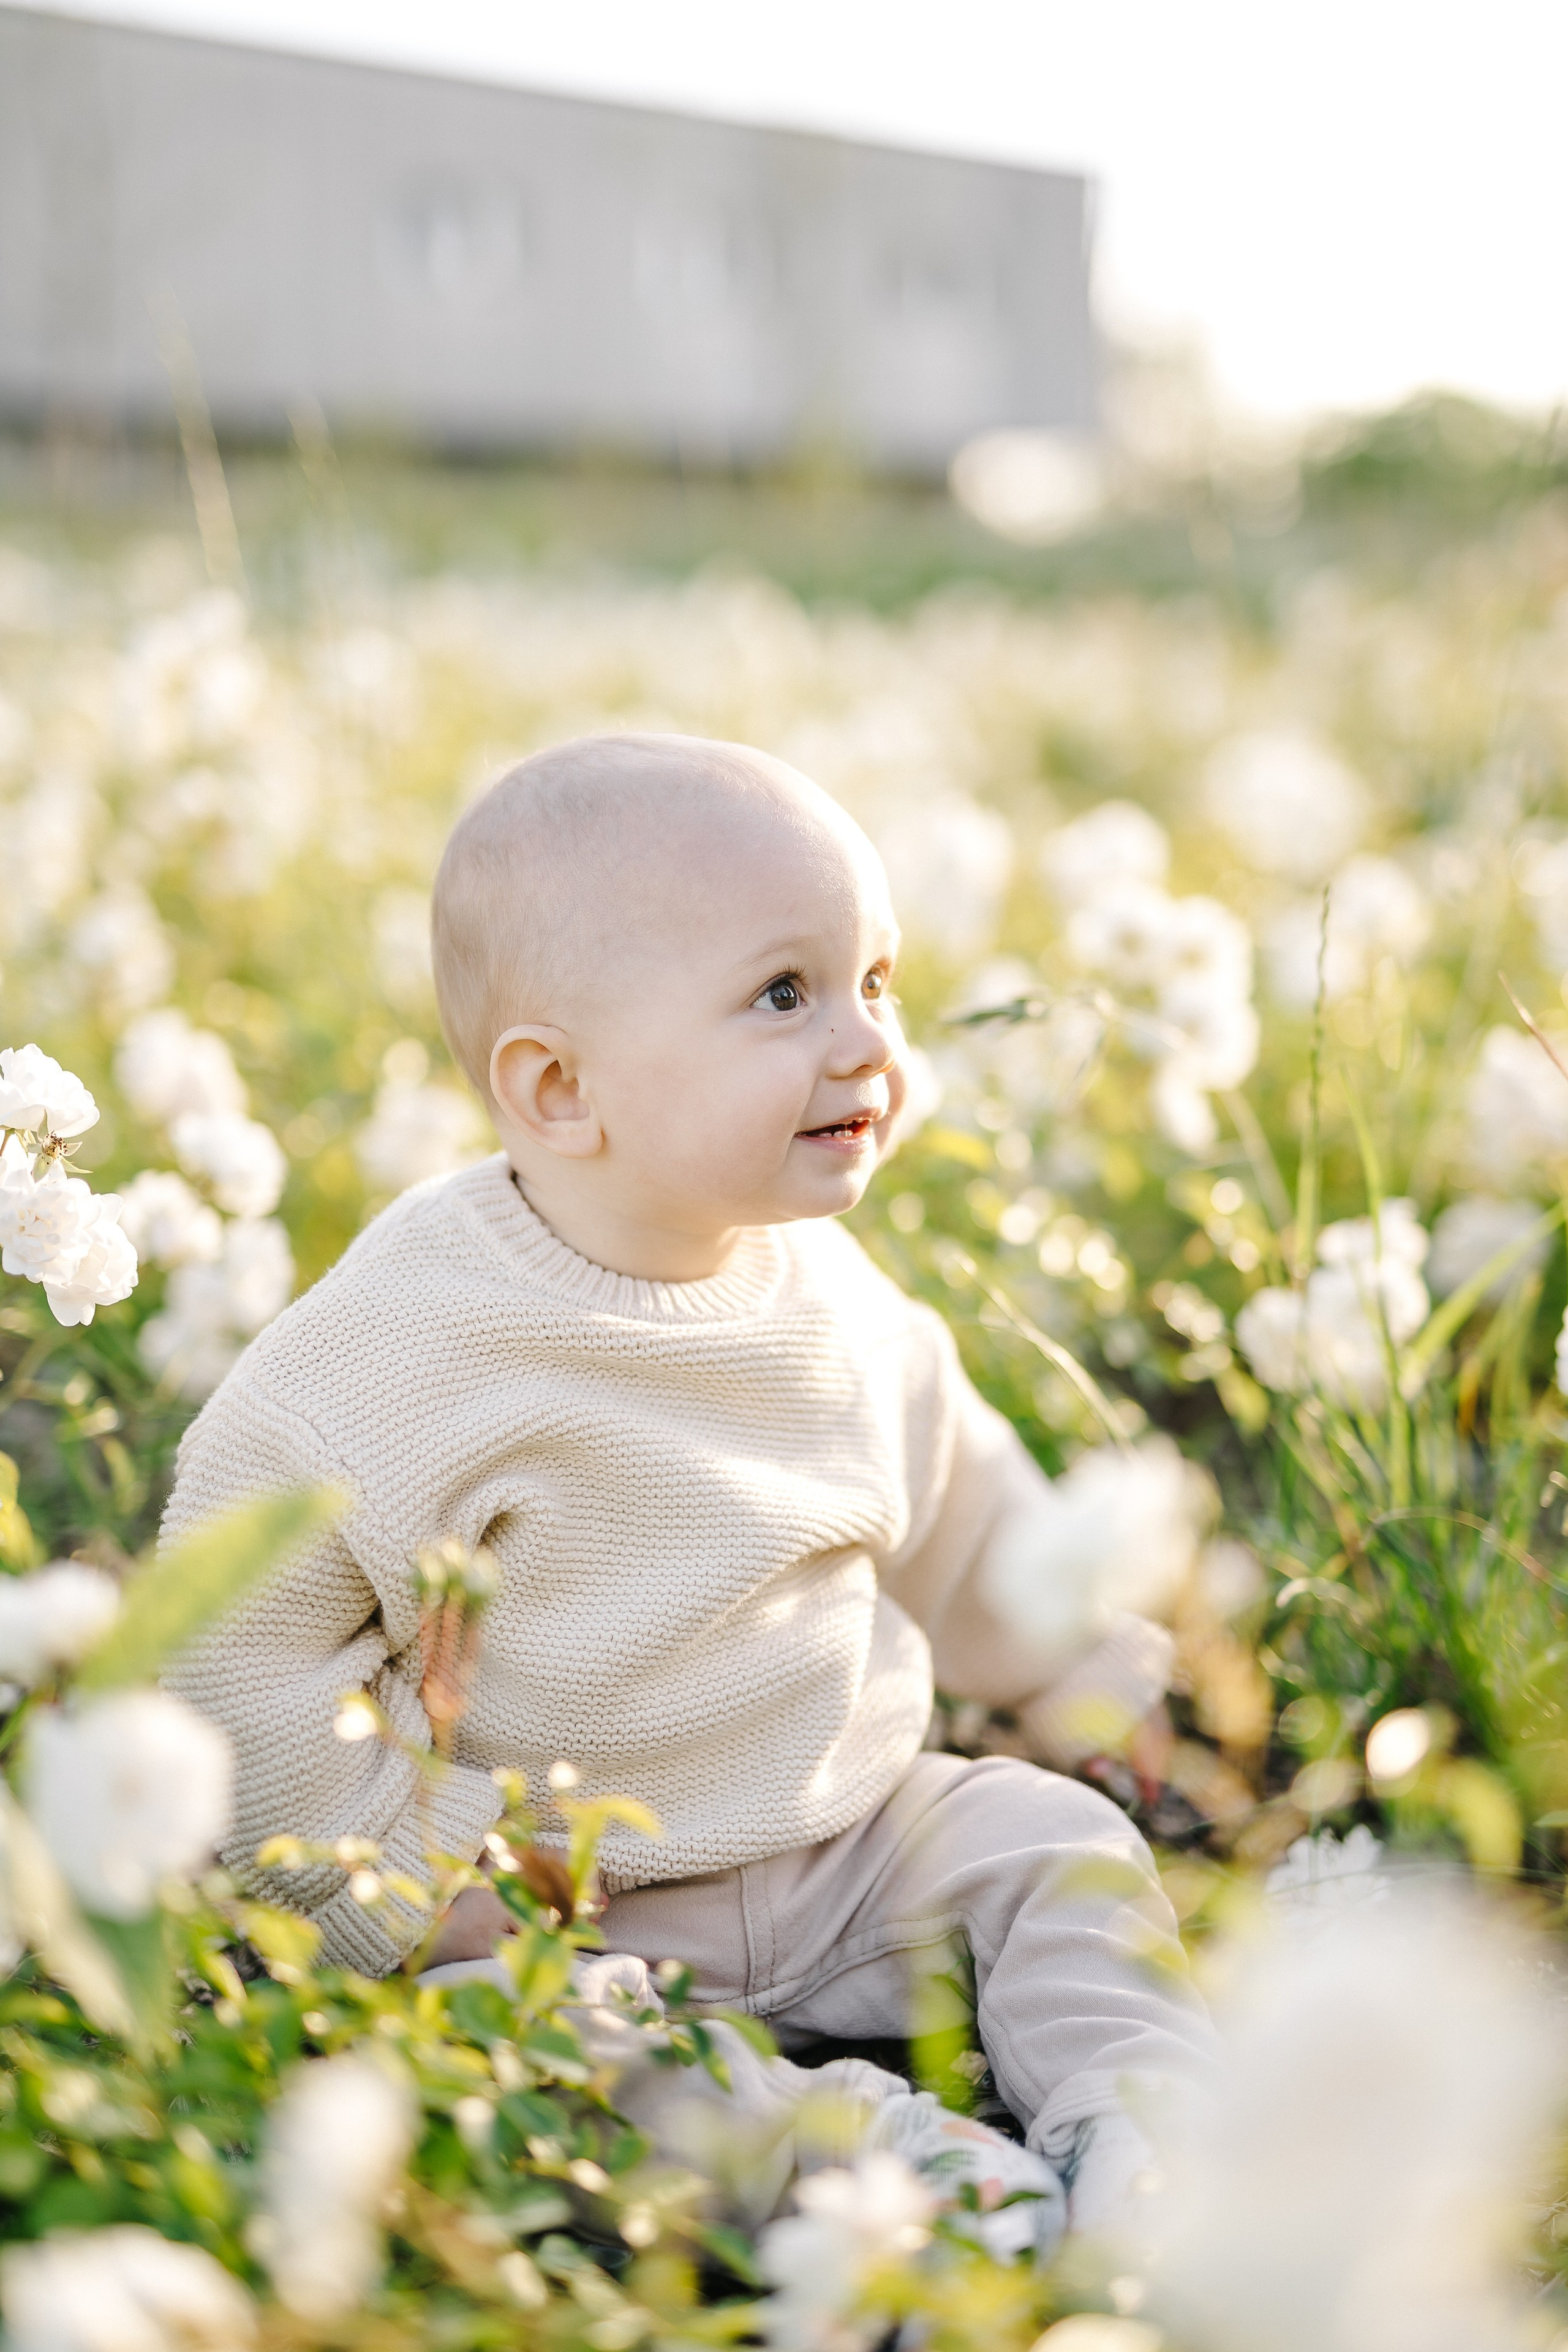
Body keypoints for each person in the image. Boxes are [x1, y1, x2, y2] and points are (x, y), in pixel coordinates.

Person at [161, 733, 1212, 2244]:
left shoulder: (833, 1298)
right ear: (560, 1088)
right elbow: (235, 1641)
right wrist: (406, 1871)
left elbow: (963, 1506)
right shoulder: (391, 1357)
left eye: (876, 980)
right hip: (546, 1907)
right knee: (544, 2073)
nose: (863, 1046)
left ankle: (1147, 2139)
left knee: (1047, 1847)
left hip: (845, 1840)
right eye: (784, 995)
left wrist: (1078, 1668)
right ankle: (892, 2188)